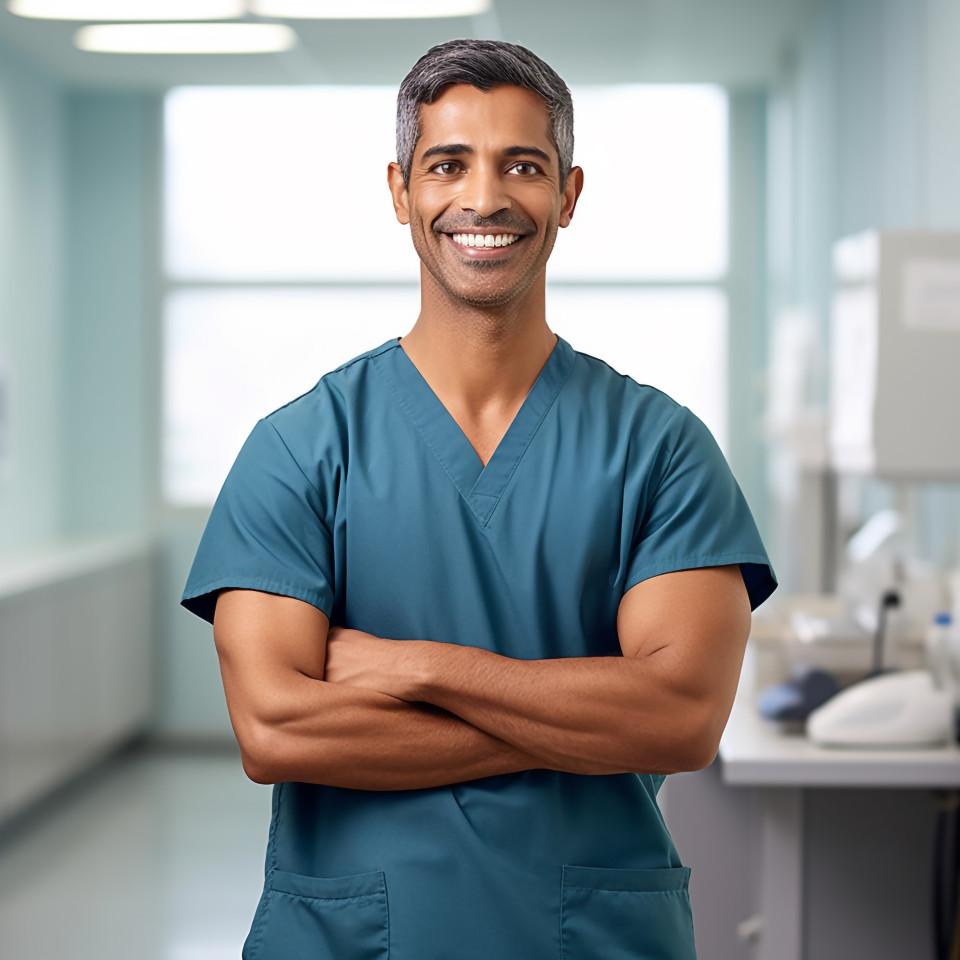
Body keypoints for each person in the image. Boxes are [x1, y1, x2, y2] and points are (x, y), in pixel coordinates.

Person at [181, 37, 777, 960]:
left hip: (590, 938)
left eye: (523, 165)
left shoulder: (660, 450)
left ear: (570, 195)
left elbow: (680, 719)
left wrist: (419, 670)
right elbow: (275, 727)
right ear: (399, 190)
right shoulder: (301, 449)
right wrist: (574, 725)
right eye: (448, 163)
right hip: (354, 938)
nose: (485, 198)